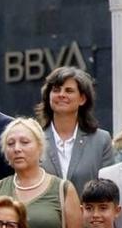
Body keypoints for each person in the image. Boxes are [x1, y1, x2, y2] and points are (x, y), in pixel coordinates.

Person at [38, 65, 114, 197]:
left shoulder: (101, 140)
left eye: (69, 91)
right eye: (56, 90)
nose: (61, 95)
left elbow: (108, 191)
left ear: (82, 99)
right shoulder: (34, 139)